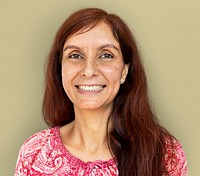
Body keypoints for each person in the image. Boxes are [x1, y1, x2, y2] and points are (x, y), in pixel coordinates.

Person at [15, 8, 188, 176]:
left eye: (106, 55)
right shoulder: (35, 152)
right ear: (60, 69)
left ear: (124, 71)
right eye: (75, 55)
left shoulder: (165, 155)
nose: (89, 71)